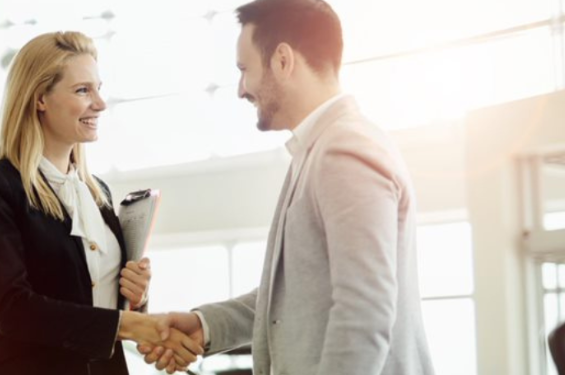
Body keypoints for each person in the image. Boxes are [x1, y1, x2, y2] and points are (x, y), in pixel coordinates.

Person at [140, 0, 436, 374]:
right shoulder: (318, 151)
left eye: (245, 69)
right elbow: (298, 297)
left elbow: (364, 311)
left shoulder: (345, 150)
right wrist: (206, 325)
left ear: (282, 60)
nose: (241, 90)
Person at [0, 31, 203, 375]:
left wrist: (137, 297)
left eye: (98, 88)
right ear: (40, 99)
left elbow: (101, 301)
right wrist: (132, 325)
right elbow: (13, 309)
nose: (100, 103)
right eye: (82, 90)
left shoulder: (98, 193)